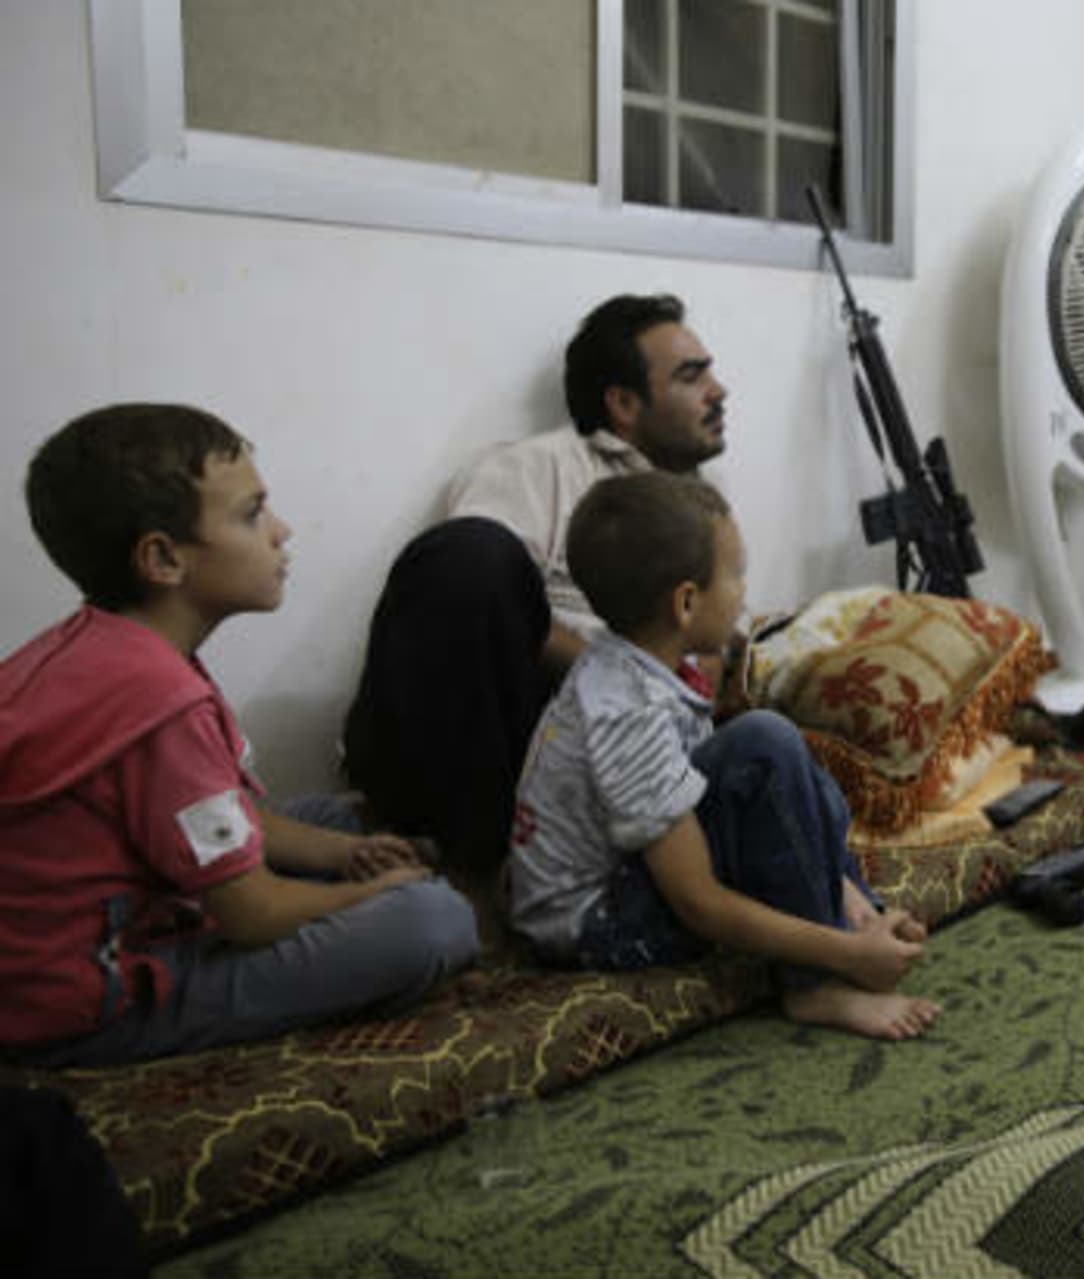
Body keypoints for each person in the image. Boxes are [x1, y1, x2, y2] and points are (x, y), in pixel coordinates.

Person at [0, 404, 480, 1068]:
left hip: (67, 935)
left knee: (323, 817)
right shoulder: (158, 702)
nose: (281, 532)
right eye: (252, 514)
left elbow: (234, 808)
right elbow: (251, 914)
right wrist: (365, 892)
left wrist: (345, 852)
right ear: (164, 558)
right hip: (85, 1003)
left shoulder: (102, 646)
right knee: (433, 921)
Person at [509, 472, 941, 1041]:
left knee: (796, 771)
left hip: (635, 875)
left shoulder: (645, 665)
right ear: (686, 602)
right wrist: (843, 954)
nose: (744, 592)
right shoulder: (626, 712)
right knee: (765, 746)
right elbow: (698, 903)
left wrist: (851, 898)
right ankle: (816, 985)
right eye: (735, 575)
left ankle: (857, 917)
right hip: (599, 923)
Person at [343, 294, 730, 883]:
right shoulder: (538, 468)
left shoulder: (699, 505)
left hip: (629, 745)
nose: (718, 390)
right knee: (470, 554)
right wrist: (619, 675)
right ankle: (466, 868)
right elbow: (469, 603)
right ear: (623, 403)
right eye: (691, 376)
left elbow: (706, 650)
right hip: (516, 730)